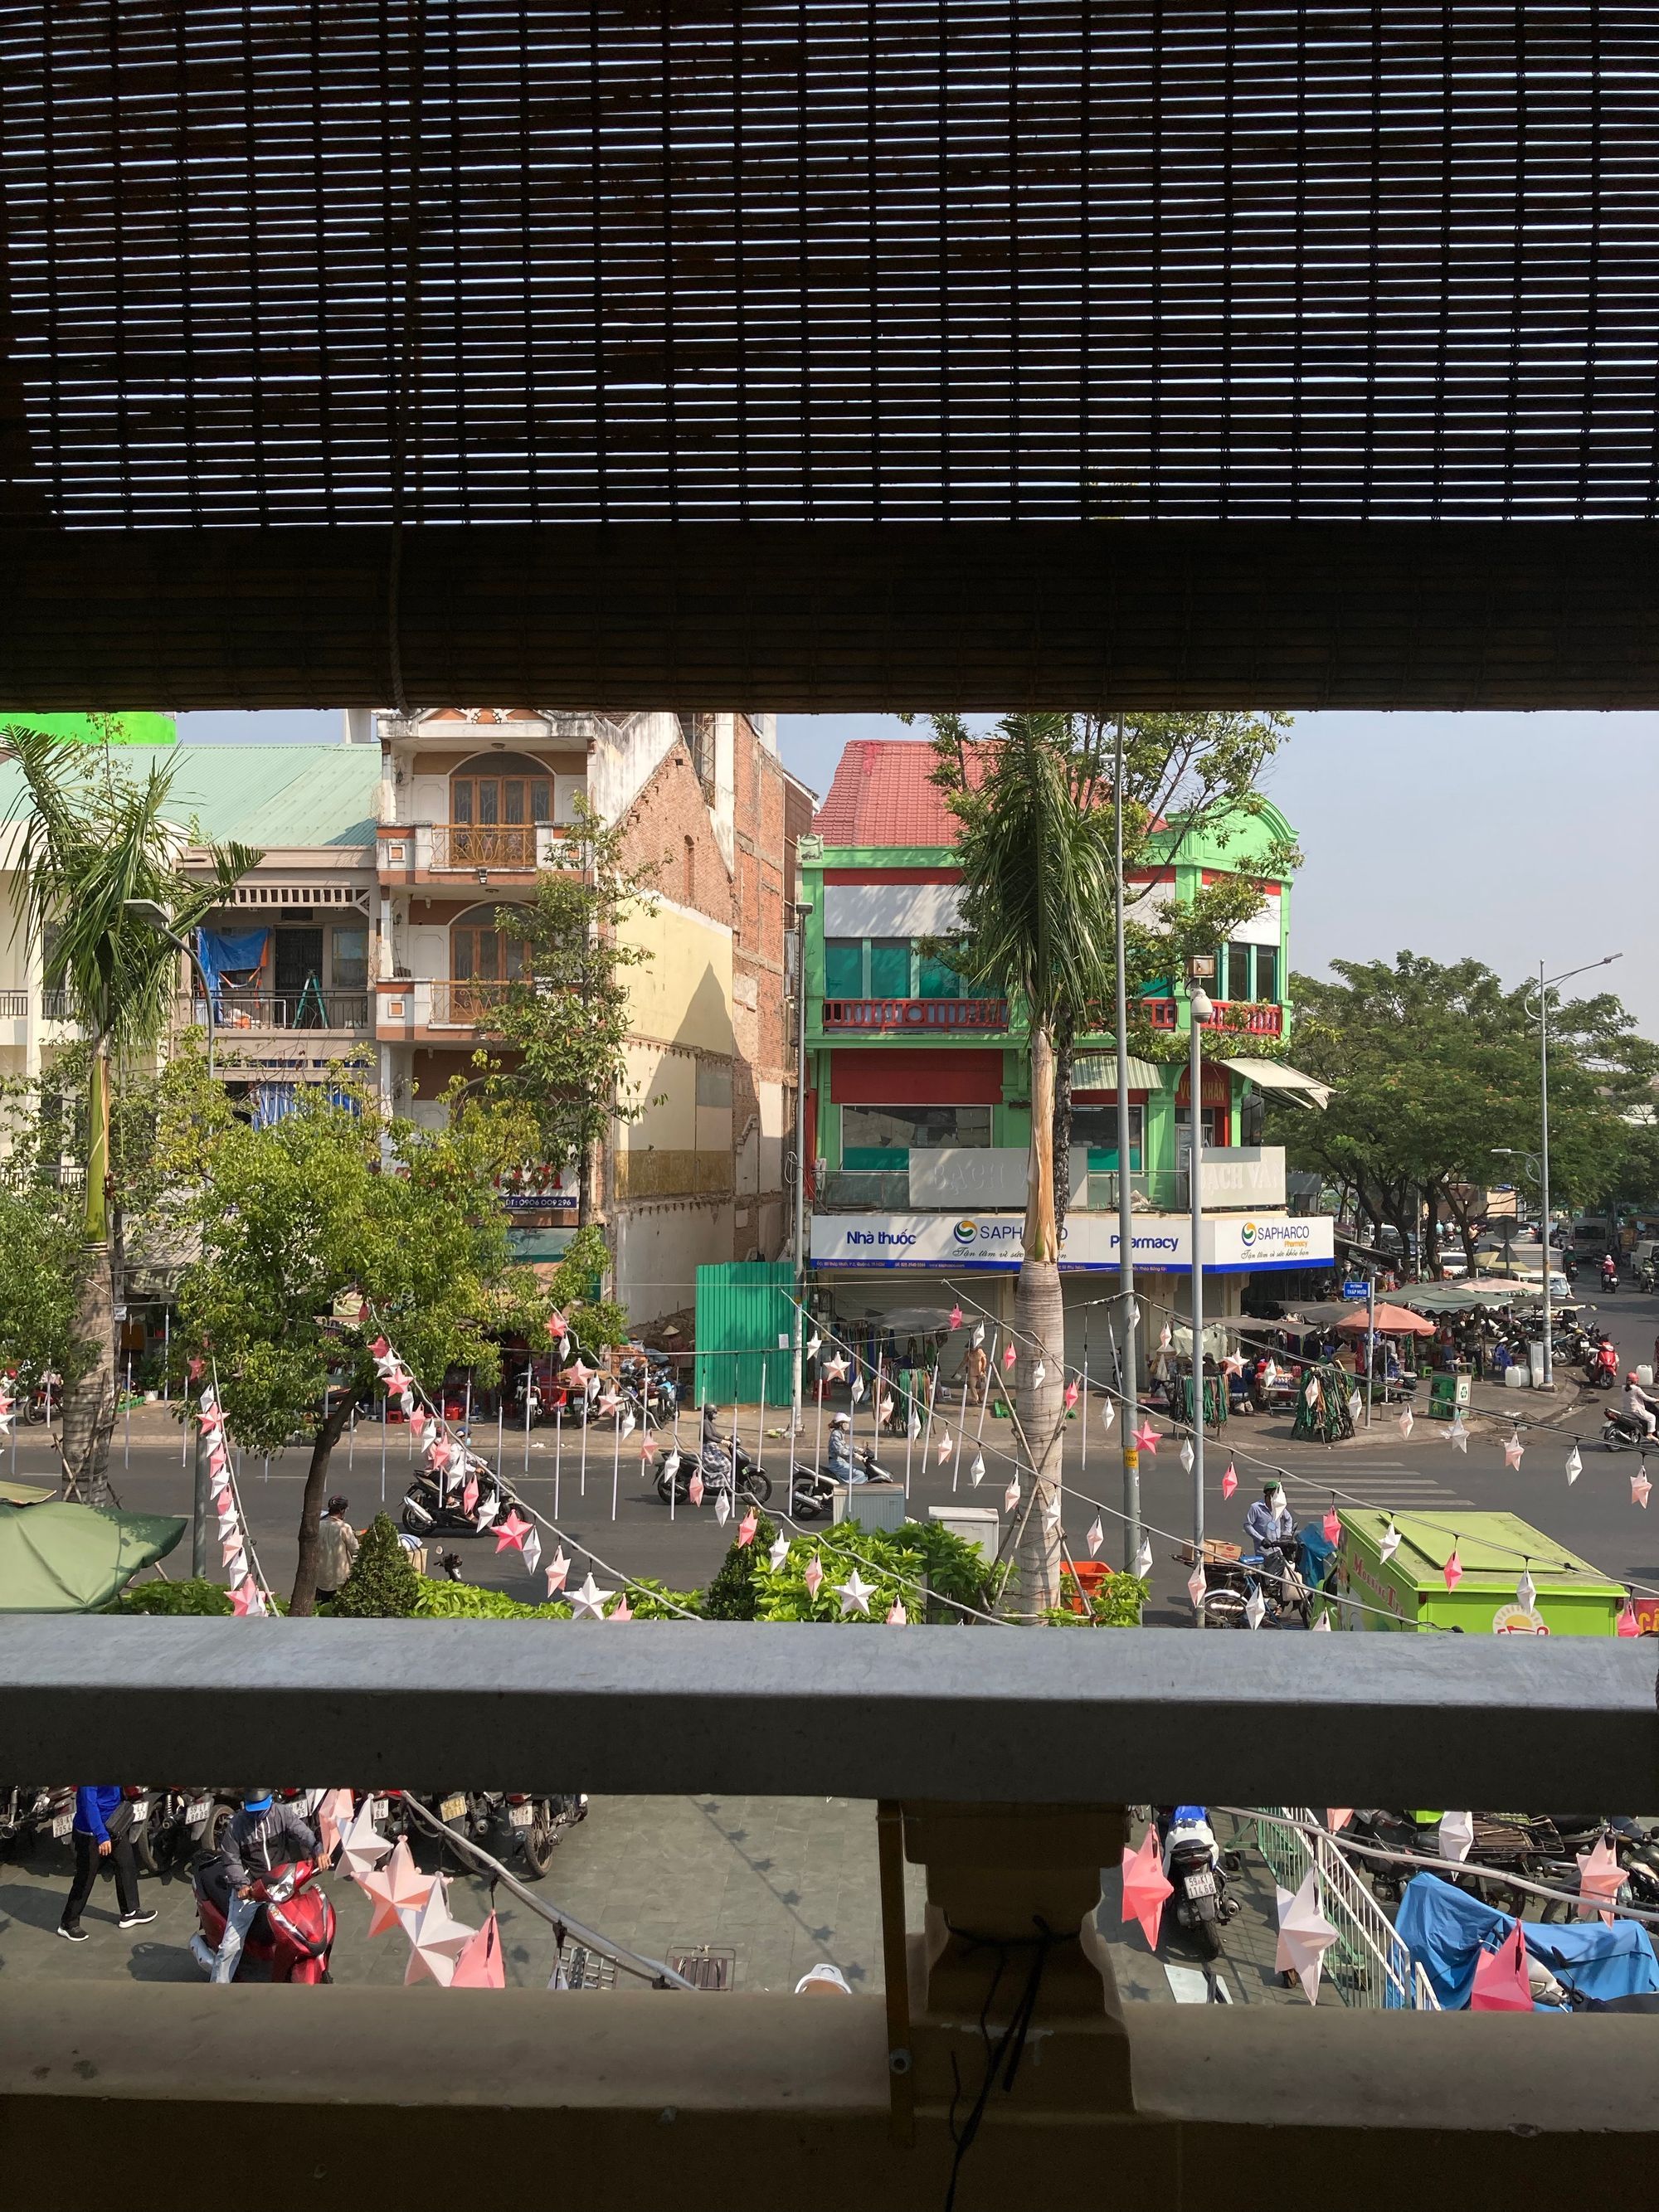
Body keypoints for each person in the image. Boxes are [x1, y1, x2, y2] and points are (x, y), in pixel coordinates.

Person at [207, 1788, 321, 1982]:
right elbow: (231, 1859)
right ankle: (218, 1986)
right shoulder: (236, 1825)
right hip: (252, 1889)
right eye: (254, 1809)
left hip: (281, 1885)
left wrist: (319, 1850)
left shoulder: (282, 1814)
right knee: (230, 1946)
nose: (258, 1814)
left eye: (262, 1809)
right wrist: (242, 1885)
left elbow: (304, 1834)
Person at [59, 1786, 155, 1942]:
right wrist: (102, 1836)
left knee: (126, 1864)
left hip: (114, 1823)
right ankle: (68, 1923)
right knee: (85, 1878)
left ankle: (130, 1912)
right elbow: (90, 1806)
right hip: (91, 1833)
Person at [315, 1495, 358, 1602]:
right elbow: (355, 1549)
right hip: (339, 1578)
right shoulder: (344, 1528)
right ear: (342, 1510)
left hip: (320, 1578)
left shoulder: (319, 1526)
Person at [1243, 1480, 1294, 1556]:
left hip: (1278, 1549)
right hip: (1264, 1550)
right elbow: (1247, 1525)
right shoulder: (1256, 1507)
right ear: (1268, 1493)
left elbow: (1288, 1519)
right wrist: (1261, 1539)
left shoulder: (1279, 1507)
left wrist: (1286, 1533)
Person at [1625, 1374, 1657, 1440]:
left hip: (1626, 1410)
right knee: (1652, 1418)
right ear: (1636, 1381)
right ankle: (1650, 1434)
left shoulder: (1624, 1388)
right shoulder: (1636, 1389)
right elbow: (1646, 1398)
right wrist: (1656, 1400)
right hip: (1636, 1411)